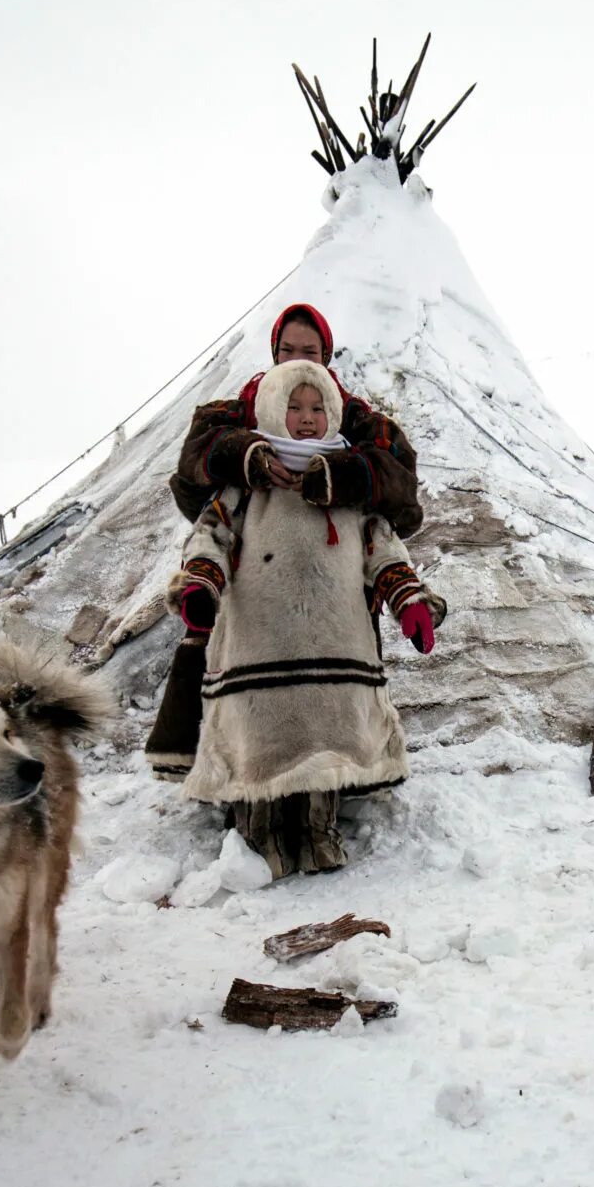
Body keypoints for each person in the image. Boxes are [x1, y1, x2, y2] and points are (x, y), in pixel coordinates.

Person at [168, 360, 437, 877]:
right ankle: (259, 835)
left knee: (325, 741)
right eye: (294, 407)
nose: (307, 418)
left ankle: (317, 830)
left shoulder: (349, 480)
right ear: (271, 408)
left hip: (336, 642)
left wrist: (409, 602)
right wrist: (201, 585)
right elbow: (211, 535)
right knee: (263, 745)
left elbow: (382, 545)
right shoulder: (246, 484)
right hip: (259, 642)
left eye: (318, 408)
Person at [145, 302, 424, 778]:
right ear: (274, 352)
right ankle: (208, 759)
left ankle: (352, 762)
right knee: (219, 640)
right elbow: (192, 467)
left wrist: (341, 474)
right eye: (289, 349)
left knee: (344, 649)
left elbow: (399, 484)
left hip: (331, 568)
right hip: (257, 565)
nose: (300, 358)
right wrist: (242, 455)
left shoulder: (355, 419)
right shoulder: (239, 410)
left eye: (311, 351)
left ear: (327, 356)